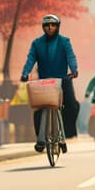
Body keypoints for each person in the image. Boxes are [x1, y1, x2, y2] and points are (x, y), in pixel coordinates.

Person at [19, 14, 80, 153]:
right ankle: (40, 140)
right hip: (44, 82)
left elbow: (71, 56)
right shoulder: (36, 43)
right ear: (43, 27)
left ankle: (66, 133)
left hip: (63, 79)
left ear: (58, 26)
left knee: (72, 105)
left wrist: (74, 69)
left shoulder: (65, 41)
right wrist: (25, 73)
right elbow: (30, 59)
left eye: (53, 25)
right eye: (47, 25)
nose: (50, 27)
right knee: (39, 111)